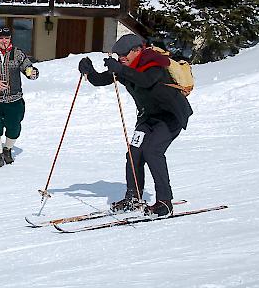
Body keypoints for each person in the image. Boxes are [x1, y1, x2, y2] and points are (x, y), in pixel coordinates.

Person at [77, 34, 193, 217]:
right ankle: (133, 197)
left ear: (138, 50)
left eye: (124, 53)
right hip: (148, 118)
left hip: (170, 117)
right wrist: (88, 70)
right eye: (118, 54)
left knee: (153, 152)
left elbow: (145, 81)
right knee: (134, 153)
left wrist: (120, 70)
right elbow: (100, 79)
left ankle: (165, 202)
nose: (121, 57)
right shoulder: (124, 67)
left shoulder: (154, 63)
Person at [0, 26, 39, 169]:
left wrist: (32, 73)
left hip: (14, 99)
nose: (4, 41)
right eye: (1, 38)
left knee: (14, 128)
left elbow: (28, 68)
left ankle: (7, 149)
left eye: (6, 38)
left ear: (10, 39)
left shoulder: (18, 54)